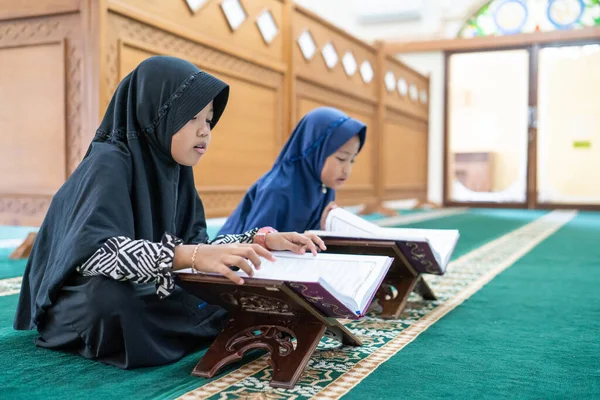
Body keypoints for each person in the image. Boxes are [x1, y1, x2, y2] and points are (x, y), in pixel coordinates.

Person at [14, 56, 324, 369]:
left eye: (209, 119)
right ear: (157, 113)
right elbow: (97, 253)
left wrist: (259, 240)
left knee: (225, 285)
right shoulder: (109, 163)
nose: (205, 131)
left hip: (150, 284)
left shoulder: (175, 169)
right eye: (192, 118)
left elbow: (197, 247)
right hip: (88, 291)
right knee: (113, 302)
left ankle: (176, 328)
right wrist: (188, 256)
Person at [218, 107, 366, 235]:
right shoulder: (277, 190)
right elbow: (253, 245)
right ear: (315, 153)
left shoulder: (324, 187)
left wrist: (323, 227)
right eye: (341, 158)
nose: (347, 170)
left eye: (352, 160)